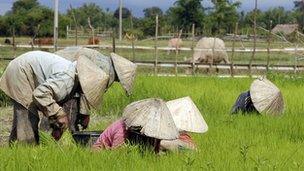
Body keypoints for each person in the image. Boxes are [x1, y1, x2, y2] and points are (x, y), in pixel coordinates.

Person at [0, 51, 109, 144]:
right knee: (28, 118)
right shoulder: (66, 79)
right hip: (21, 71)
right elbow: (40, 94)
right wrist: (59, 114)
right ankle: (26, 153)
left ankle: (14, 150)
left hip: (23, 69)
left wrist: (58, 127)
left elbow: (53, 99)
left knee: (23, 119)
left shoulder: (73, 81)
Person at [92, 118, 196, 153]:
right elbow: (116, 153)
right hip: (100, 151)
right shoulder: (122, 129)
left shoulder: (141, 130)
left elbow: (154, 149)